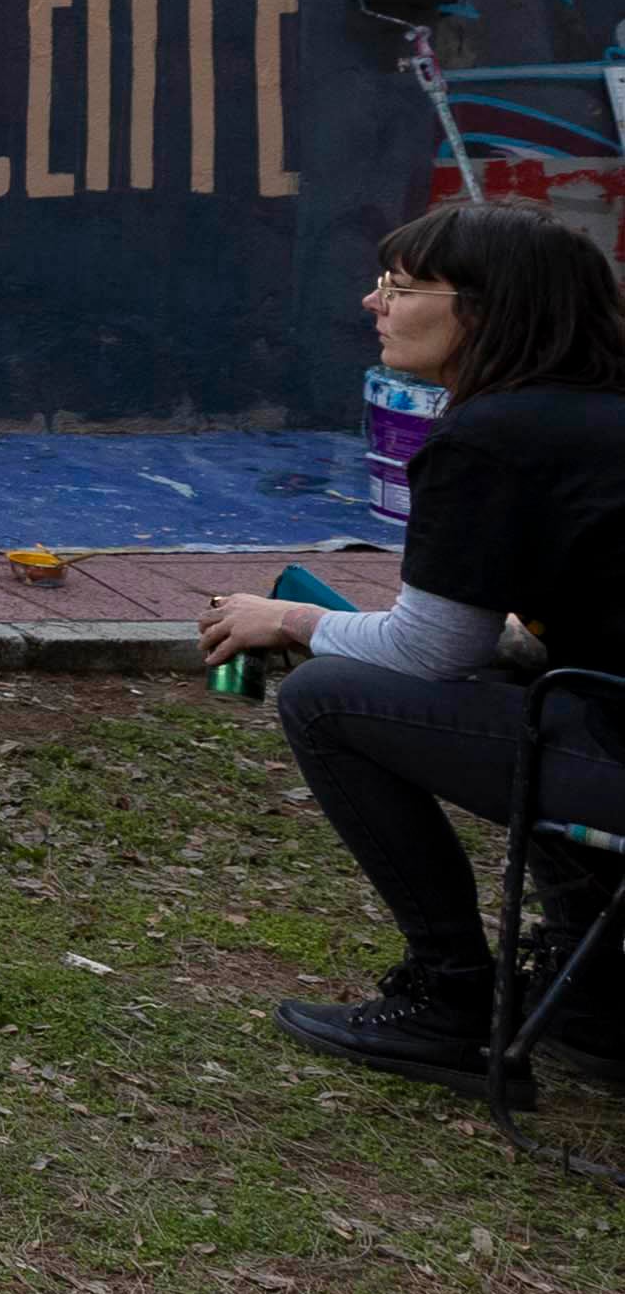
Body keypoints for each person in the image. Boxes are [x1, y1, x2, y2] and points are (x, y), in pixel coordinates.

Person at [204, 204, 625, 1095]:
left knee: (325, 695)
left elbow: (426, 647)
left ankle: (451, 1000)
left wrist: (283, 620)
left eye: (397, 286)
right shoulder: (597, 416)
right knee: (526, 681)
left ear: (481, 308)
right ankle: (593, 1002)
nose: (372, 302)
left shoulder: (492, 438)